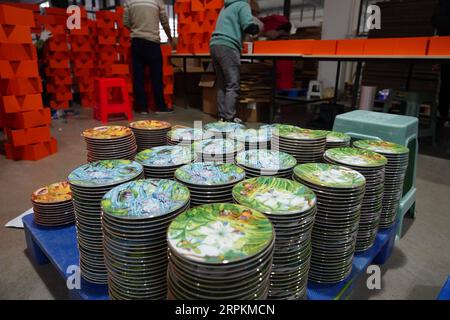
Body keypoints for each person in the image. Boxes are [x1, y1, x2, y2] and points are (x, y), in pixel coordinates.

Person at [210, 0, 260, 123]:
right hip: (228, 46)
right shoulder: (242, 5)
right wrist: (258, 28)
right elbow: (248, 26)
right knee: (232, 84)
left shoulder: (226, 6)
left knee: (222, 83)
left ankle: (222, 117)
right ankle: (230, 118)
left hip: (215, 45)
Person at [123, 0, 176, 114]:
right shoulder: (157, 1)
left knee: (138, 77)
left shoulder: (130, 1)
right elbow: (164, 21)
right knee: (157, 76)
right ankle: (160, 107)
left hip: (137, 42)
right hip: (153, 42)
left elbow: (125, 22)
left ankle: (142, 108)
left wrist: (137, 29)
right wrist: (170, 37)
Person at [432, 0, 450, 125]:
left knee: (446, 84)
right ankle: (443, 115)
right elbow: (436, 21)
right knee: (446, 84)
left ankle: (443, 115)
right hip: (445, 48)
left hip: (445, 48)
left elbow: (436, 21)